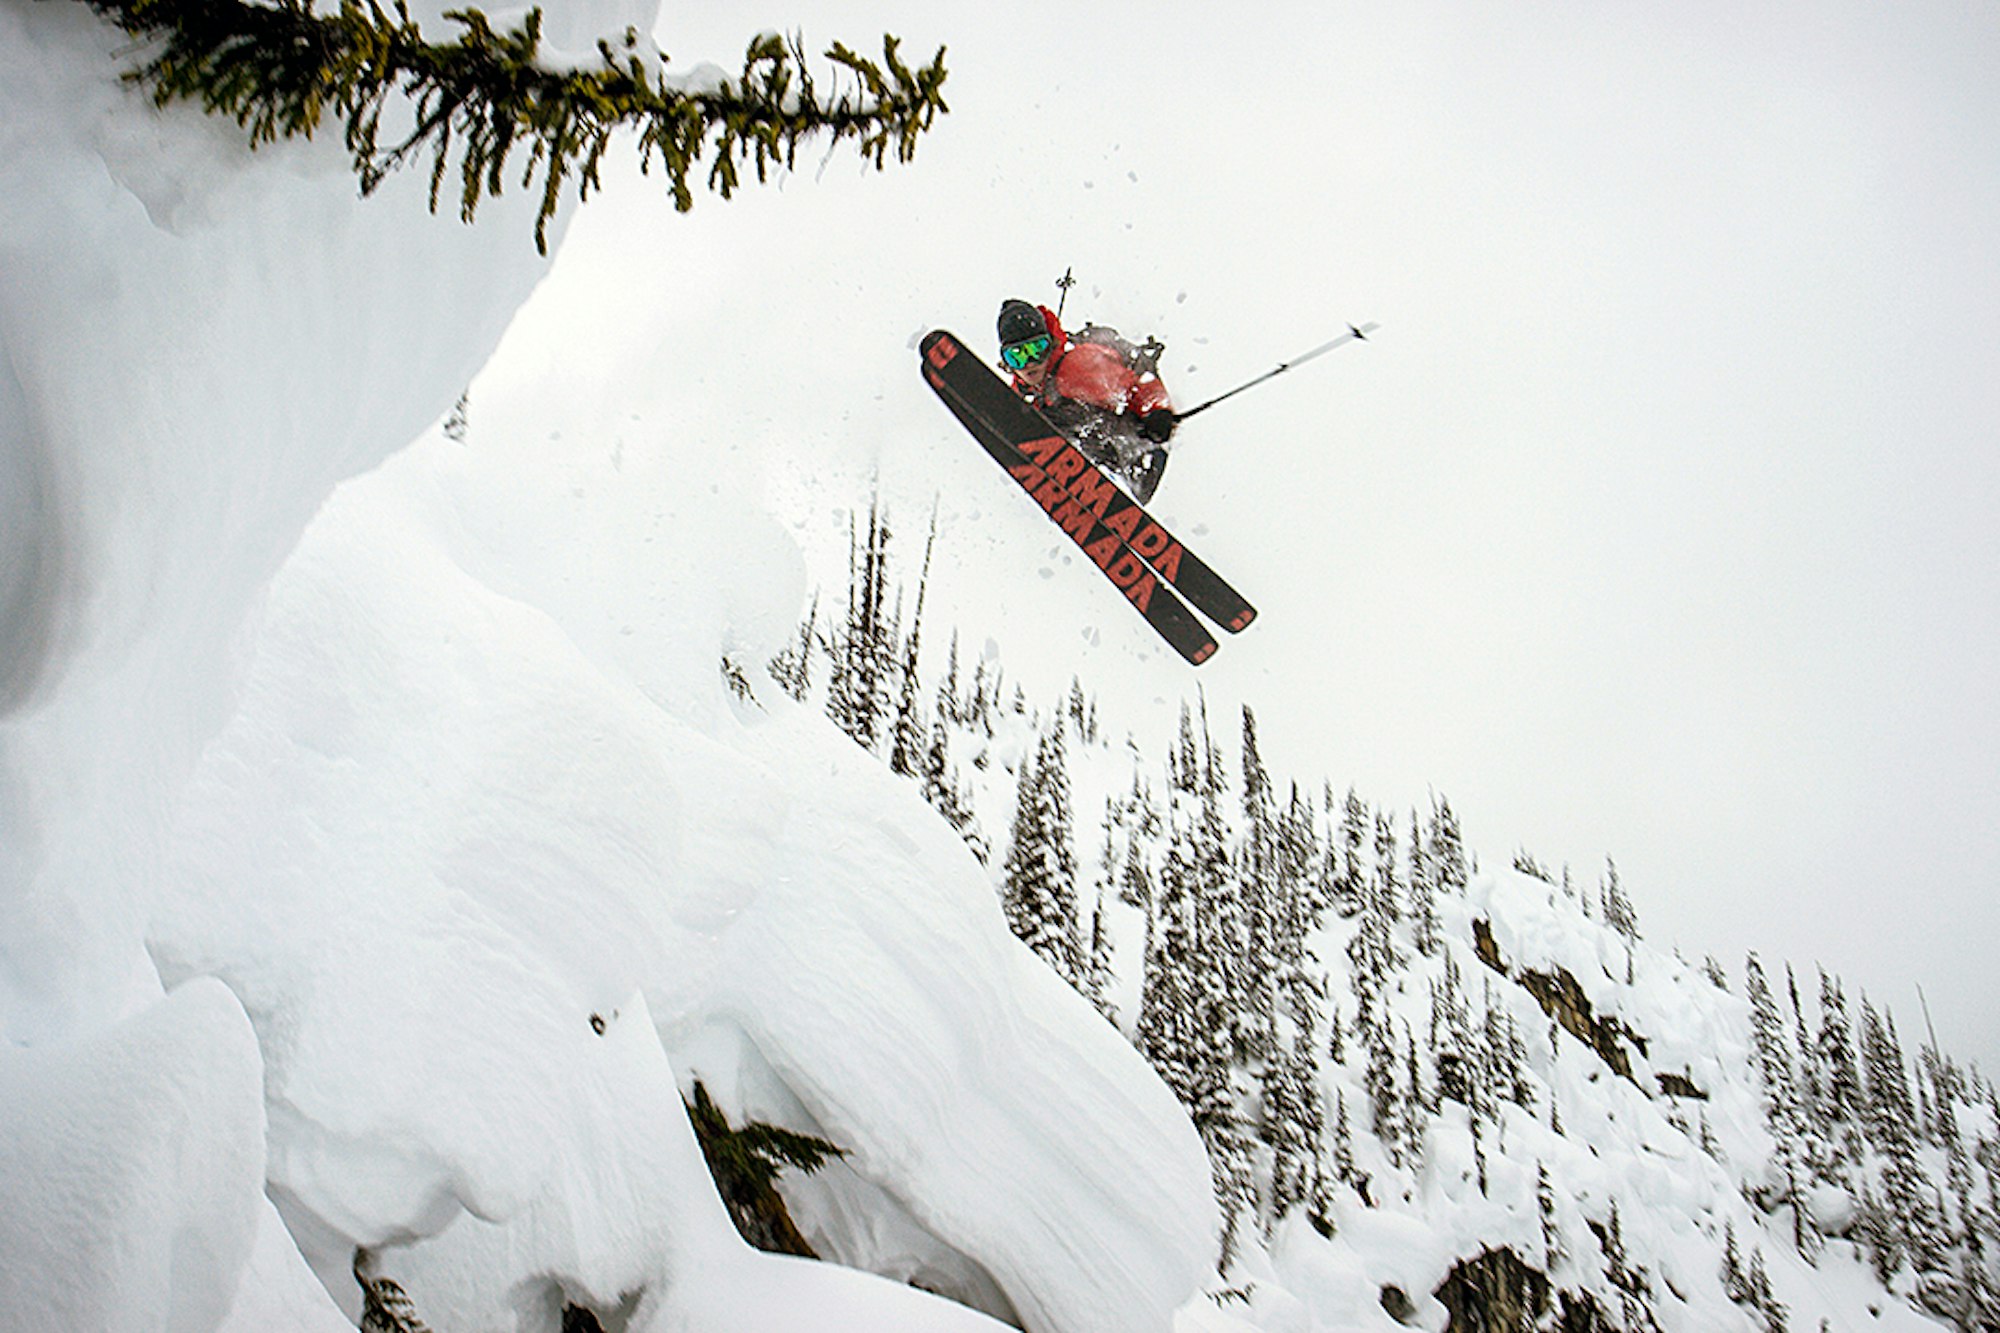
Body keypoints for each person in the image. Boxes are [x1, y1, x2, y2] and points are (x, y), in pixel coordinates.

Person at [996, 298, 1177, 503]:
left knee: (1051, 415)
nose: (1030, 363)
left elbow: (1138, 386)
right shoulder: (1021, 395)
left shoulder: (1076, 368)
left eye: (1037, 349)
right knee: (1031, 419)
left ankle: (1108, 479)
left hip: (1137, 458)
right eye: (1017, 356)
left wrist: (1157, 412)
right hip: (1080, 468)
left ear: (1051, 345)